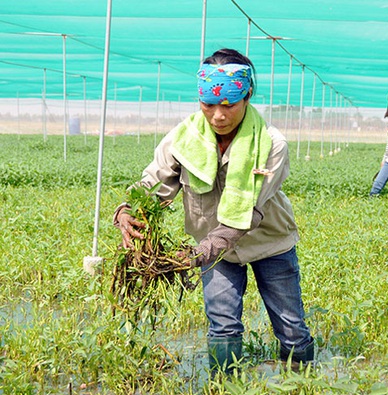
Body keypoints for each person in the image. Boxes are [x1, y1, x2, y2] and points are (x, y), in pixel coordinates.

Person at [114, 48, 314, 377]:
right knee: (222, 326)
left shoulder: (271, 144)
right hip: (213, 250)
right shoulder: (183, 138)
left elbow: (247, 214)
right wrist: (127, 211)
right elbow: (153, 185)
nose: (218, 116)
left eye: (228, 105)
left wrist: (197, 254)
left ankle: (302, 389)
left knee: (291, 327)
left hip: (269, 243)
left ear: (247, 96)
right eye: (209, 104)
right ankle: (225, 393)